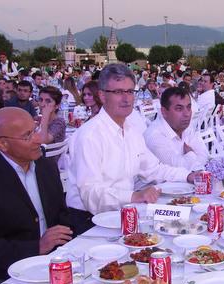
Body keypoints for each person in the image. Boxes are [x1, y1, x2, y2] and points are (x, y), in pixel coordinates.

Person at [66, 64, 199, 234]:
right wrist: (135, 196)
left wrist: (188, 176)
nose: (126, 99)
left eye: (130, 92)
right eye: (118, 92)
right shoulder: (89, 135)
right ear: (102, 96)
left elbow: (153, 169)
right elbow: (91, 194)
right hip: (89, 222)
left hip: (124, 213)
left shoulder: (130, 131)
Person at [0, 107, 72, 284]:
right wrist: (37, 247)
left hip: (55, 261)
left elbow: (61, 214)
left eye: (35, 130)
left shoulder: (46, 167)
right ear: (2, 144)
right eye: (27, 136)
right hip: (6, 274)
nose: (38, 139)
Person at [144, 87, 208, 170]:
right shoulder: (154, 136)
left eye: (189, 107)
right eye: (179, 109)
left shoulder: (186, 128)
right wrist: (191, 154)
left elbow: (204, 155)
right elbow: (178, 168)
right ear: (164, 112)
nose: (187, 114)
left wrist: (190, 160)